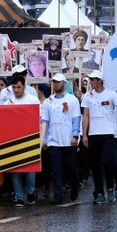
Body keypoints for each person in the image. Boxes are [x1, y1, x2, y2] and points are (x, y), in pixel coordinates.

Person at [81, 70, 117, 203]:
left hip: (109, 133)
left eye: (93, 80)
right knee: (95, 165)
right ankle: (99, 192)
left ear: (100, 81)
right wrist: (84, 134)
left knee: (107, 161)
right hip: (93, 134)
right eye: (90, 79)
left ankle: (110, 187)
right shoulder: (87, 96)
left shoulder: (111, 94)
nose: (91, 82)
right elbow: (86, 115)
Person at [41, 73, 80, 204]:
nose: (56, 84)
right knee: (56, 170)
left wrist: (75, 136)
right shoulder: (48, 101)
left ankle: (75, 186)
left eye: (58, 82)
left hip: (68, 140)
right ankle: (58, 195)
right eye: (54, 82)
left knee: (71, 167)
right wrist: (44, 139)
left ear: (64, 83)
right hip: (54, 141)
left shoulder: (72, 100)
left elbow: (76, 119)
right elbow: (45, 121)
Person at [7, 74, 41, 206]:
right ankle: (20, 196)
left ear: (24, 87)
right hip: (13, 141)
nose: (16, 90)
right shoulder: (8, 103)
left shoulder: (33, 100)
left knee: (30, 170)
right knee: (15, 171)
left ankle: (30, 192)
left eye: (19, 87)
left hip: (30, 140)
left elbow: (39, 119)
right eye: (14, 87)